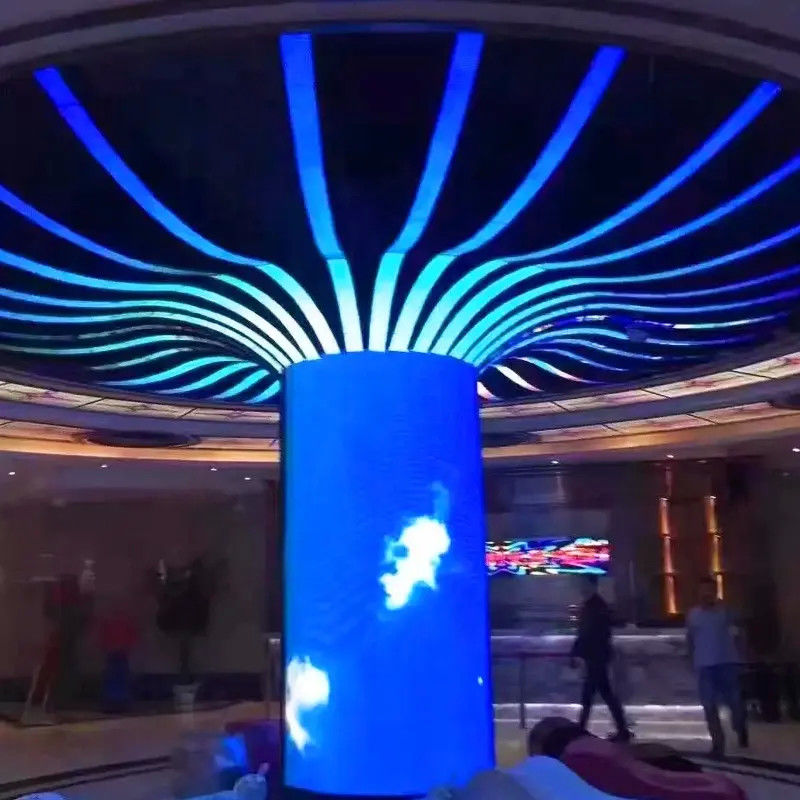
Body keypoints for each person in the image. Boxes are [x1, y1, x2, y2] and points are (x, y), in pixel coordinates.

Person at [686, 577, 748, 757]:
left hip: (727, 663)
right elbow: (690, 638)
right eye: (703, 590)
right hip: (704, 665)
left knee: (735, 703)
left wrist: (742, 656)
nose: (706, 594)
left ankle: (740, 727)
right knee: (709, 706)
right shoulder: (693, 615)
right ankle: (718, 743)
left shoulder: (726, 612)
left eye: (709, 590)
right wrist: (690, 657)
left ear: (715, 591)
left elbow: (739, 633)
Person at [570, 575, 631, 741]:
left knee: (591, 695)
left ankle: (582, 730)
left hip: (596, 657)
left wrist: (576, 652)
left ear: (592, 585)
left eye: (584, 584)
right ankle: (621, 729)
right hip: (597, 656)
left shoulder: (595, 607)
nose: (582, 588)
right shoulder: (594, 606)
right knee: (602, 694)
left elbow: (588, 634)